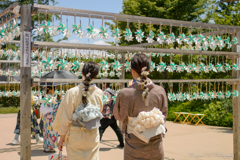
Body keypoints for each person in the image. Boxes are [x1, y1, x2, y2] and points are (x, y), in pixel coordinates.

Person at [113, 53, 168, 160]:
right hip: (155, 145)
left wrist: (129, 90)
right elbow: (164, 115)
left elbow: (119, 116)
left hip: (134, 146)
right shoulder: (160, 91)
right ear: (149, 70)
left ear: (132, 70)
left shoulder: (125, 93)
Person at [53, 61, 104, 160]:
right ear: (96, 75)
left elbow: (65, 117)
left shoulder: (71, 92)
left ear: (82, 73)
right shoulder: (99, 93)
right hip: (92, 134)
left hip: (75, 135)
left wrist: (61, 139)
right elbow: (99, 111)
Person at [99, 83, 124, 148]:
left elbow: (104, 102)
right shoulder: (112, 92)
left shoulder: (105, 93)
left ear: (105, 84)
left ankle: (96, 145)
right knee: (117, 129)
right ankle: (121, 143)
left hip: (106, 114)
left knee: (100, 129)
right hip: (112, 114)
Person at [41, 86, 61, 153]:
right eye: (53, 89)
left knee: (47, 131)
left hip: (48, 116)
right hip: (51, 116)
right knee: (51, 131)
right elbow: (53, 105)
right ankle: (49, 147)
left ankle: (48, 146)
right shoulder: (50, 97)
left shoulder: (46, 97)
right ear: (50, 90)